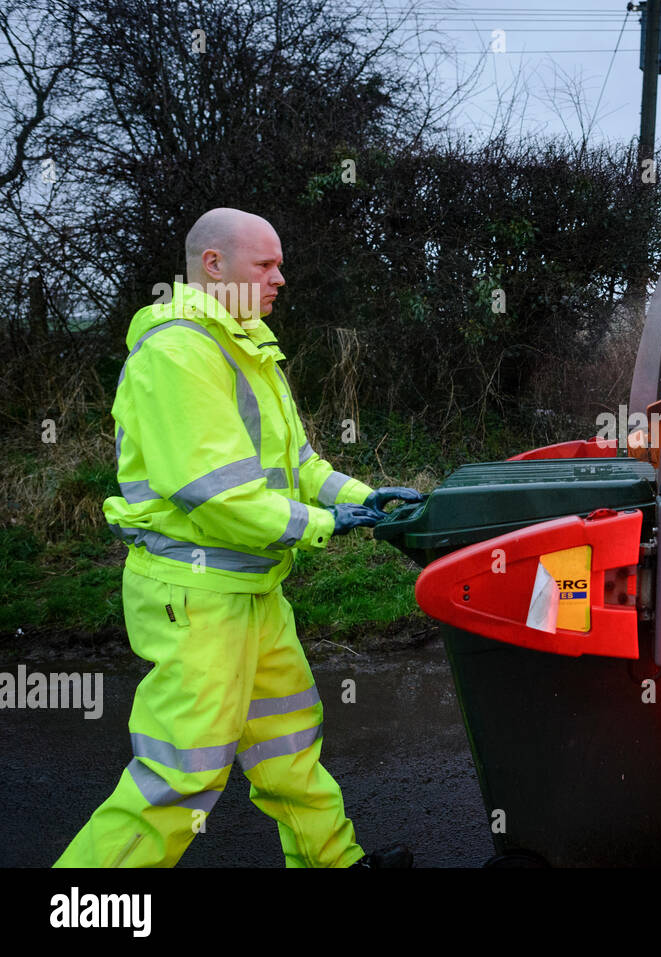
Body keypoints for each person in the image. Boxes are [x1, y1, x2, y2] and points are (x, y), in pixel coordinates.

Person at [54, 208, 423, 868]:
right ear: (214, 266)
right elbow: (212, 491)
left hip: (253, 591)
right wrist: (322, 525)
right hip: (197, 599)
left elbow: (302, 466)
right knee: (178, 778)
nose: (282, 276)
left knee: (288, 752)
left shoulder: (247, 345)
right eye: (267, 263)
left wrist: (364, 500)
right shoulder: (178, 352)